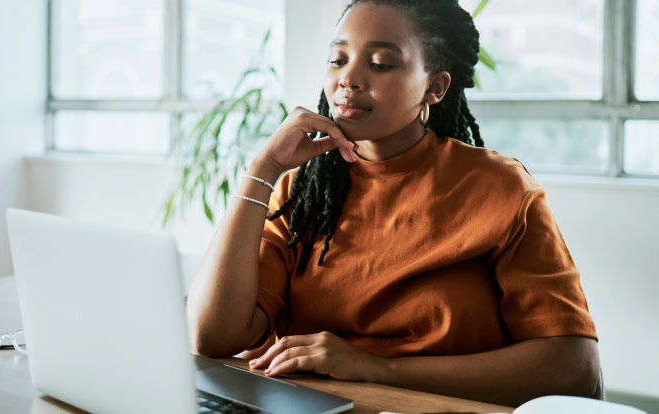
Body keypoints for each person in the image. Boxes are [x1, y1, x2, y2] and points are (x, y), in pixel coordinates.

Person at [186, 0, 600, 407]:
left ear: (434, 87)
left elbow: (573, 369)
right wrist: (262, 171)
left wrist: (372, 367)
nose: (348, 78)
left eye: (381, 64)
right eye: (337, 59)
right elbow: (213, 337)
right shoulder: (303, 191)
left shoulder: (499, 188)